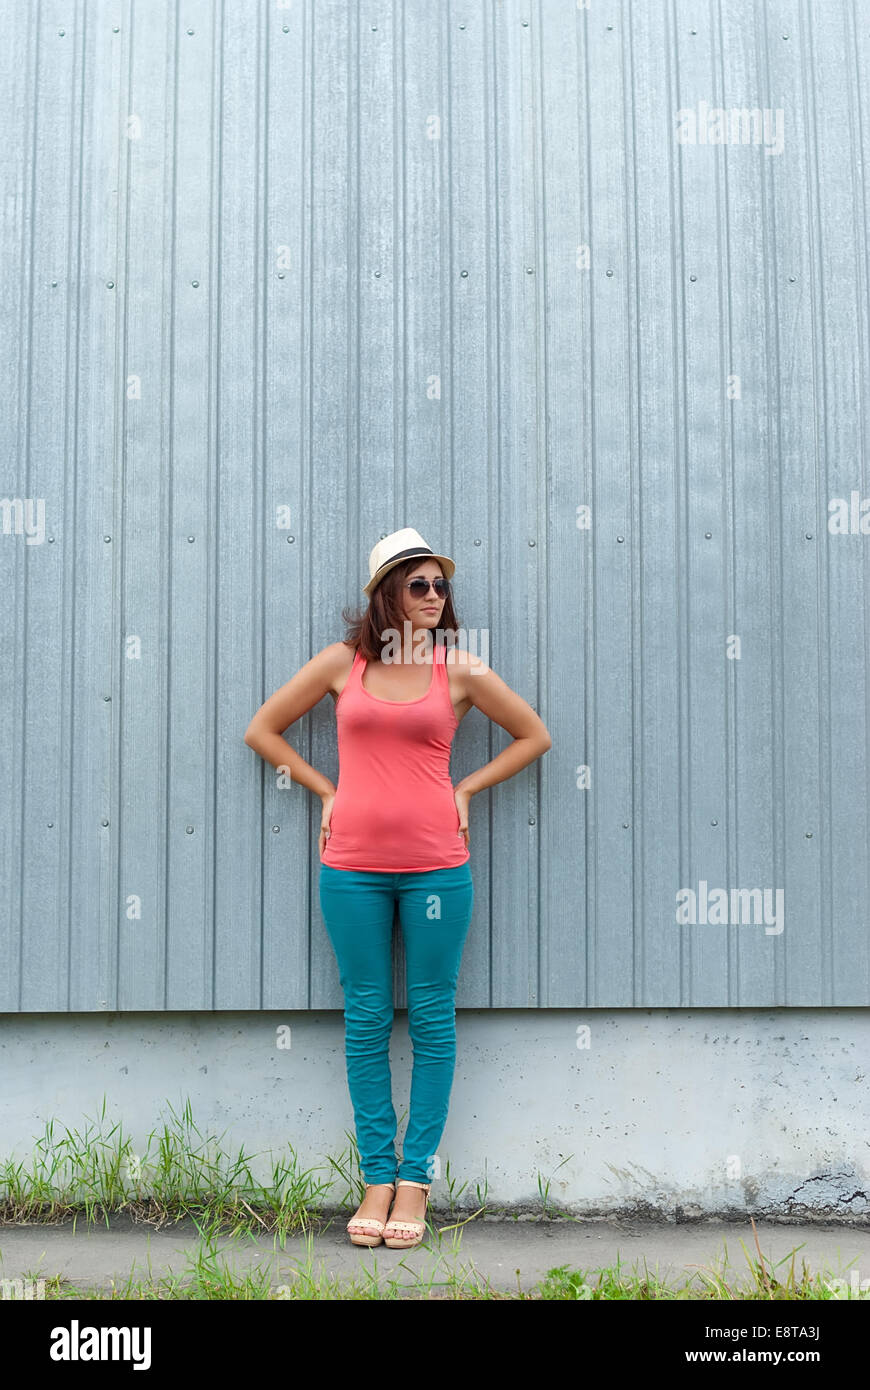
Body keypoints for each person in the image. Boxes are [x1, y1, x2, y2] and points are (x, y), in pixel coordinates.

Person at [244, 527, 552, 1248]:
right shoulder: (339, 666)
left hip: (437, 868)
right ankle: (375, 1179)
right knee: (366, 1019)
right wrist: (324, 790)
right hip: (350, 866)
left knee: (434, 1021)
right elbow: (262, 730)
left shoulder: (461, 671)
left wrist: (466, 789)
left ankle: (415, 1183)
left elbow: (534, 736)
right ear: (387, 594)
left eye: (441, 586)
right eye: (420, 585)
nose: (435, 597)